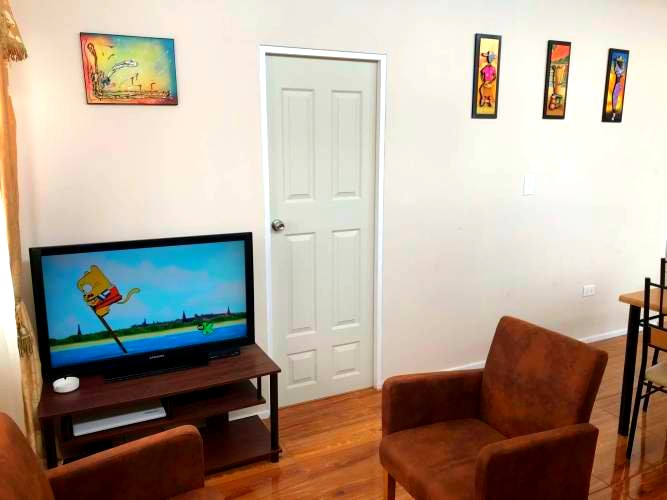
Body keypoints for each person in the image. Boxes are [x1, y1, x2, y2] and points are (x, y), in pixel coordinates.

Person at [611, 56, 625, 121]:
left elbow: (619, 75)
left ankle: (614, 114)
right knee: (615, 99)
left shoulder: (618, 69)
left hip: (617, 85)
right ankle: (614, 114)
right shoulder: (620, 68)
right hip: (618, 85)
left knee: (614, 99)